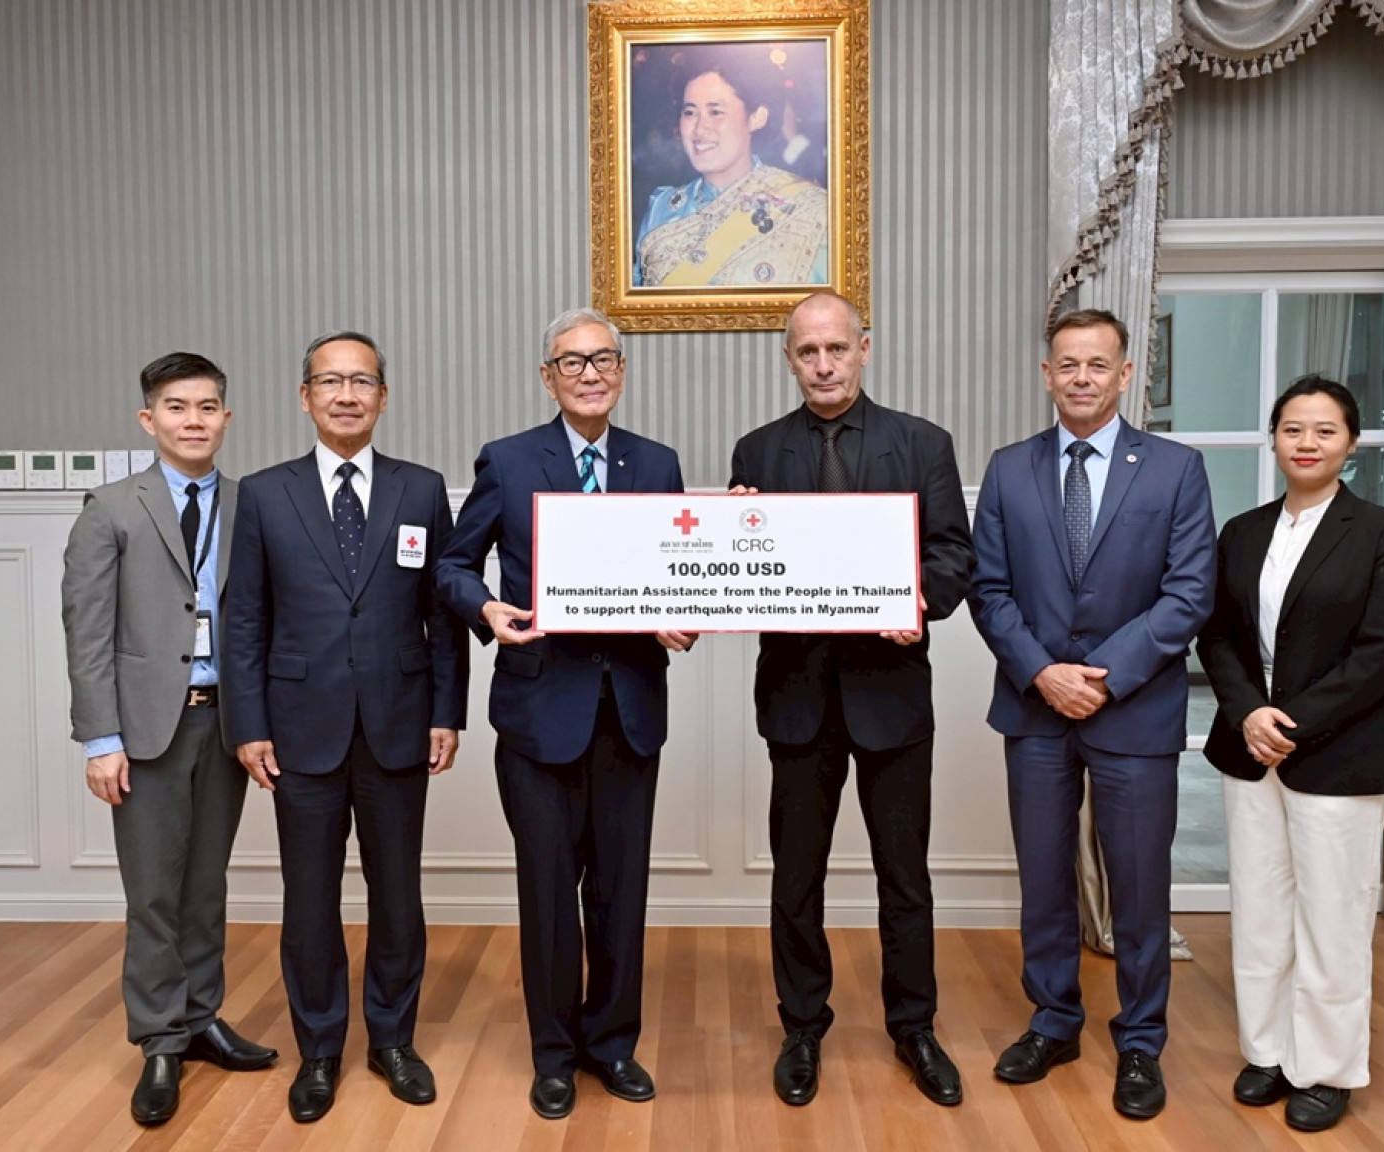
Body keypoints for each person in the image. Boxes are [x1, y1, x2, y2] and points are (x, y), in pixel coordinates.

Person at [435, 308, 693, 1121]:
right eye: (572, 361)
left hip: (630, 709)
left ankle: (611, 1044)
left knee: (620, 889)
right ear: (547, 377)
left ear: (622, 372)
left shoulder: (657, 463)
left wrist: (684, 610)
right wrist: (486, 608)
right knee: (548, 892)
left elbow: (678, 569)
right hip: (539, 708)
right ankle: (553, 1055)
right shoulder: (510, 460)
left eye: (603, 359)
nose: (590, 373)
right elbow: (451, 565)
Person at [968, 308, 1216, 1120]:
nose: (1081, 377)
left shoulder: (1177, 470)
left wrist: (1102, 679)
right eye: (1067, 364)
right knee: (1044, 880)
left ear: (1124, 374)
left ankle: (1140, 1040)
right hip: (1036, 710)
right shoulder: (1008, 470)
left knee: (1138, 887)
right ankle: (1054, 1021)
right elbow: (989, 590)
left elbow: (1189, 594)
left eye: (1097, 364)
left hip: (1134, 712)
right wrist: (1044, 674)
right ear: (1047, 374)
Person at [728, 291, 974, 1108]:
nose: (824, 365)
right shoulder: (757, 450)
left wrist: (918, 602)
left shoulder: (923, 443)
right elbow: (744, 574)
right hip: (797, 698)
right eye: (808, 352)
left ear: (865, 348)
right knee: (797, 876)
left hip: (891, 696)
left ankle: (915, 1027)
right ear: (789, 359)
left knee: (904, 876)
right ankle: (802, 1027)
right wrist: (733, 537)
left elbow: (952, 556)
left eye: (837, 348)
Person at [223, 331, 468, 1123]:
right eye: (330, 381)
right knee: (309, 900)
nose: (346, 395)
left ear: (383, 398)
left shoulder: (420, 489)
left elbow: (442, 614)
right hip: (300, 729)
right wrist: (248, 722)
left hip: (399, 722)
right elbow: (245, 617)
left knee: (398, 895)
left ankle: (393, 1040)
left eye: (362, 381)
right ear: (305, 397)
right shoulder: (265, 494)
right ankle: (320, 1048)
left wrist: (447, 710)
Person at [1196, 376, 1384, 1133]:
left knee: (1334, 918)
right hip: (1249, 745)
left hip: (1343, 752)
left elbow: (1382, 652)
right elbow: (1217, 634)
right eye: (1293, 428)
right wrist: (1247, 712)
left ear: (1351, 443)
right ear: (1274, 439)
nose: (1307, 442)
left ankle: (1325, 1069)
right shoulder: (1243, 531)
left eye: (1325, 431)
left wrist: (1288, 722)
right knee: (1260, 910)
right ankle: (1267, 1052)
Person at [61, 352, 275, 1126]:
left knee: (207, 885)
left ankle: (201, 1016)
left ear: (227, 417)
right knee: (154, 891)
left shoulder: (253, 505)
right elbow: (87, 632)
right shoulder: (111, 508)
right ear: (148, 419)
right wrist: (101, 739)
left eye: (208, 407)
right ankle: (159, 1038)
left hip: (225, 724)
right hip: (146, 729)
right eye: (177, 408)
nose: (194, 421)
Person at [634, 50, 829, 288]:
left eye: (716, 112)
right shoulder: (661, 208)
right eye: (690, 113)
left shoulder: (809, 208)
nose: (700, 129)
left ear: (756, 117)